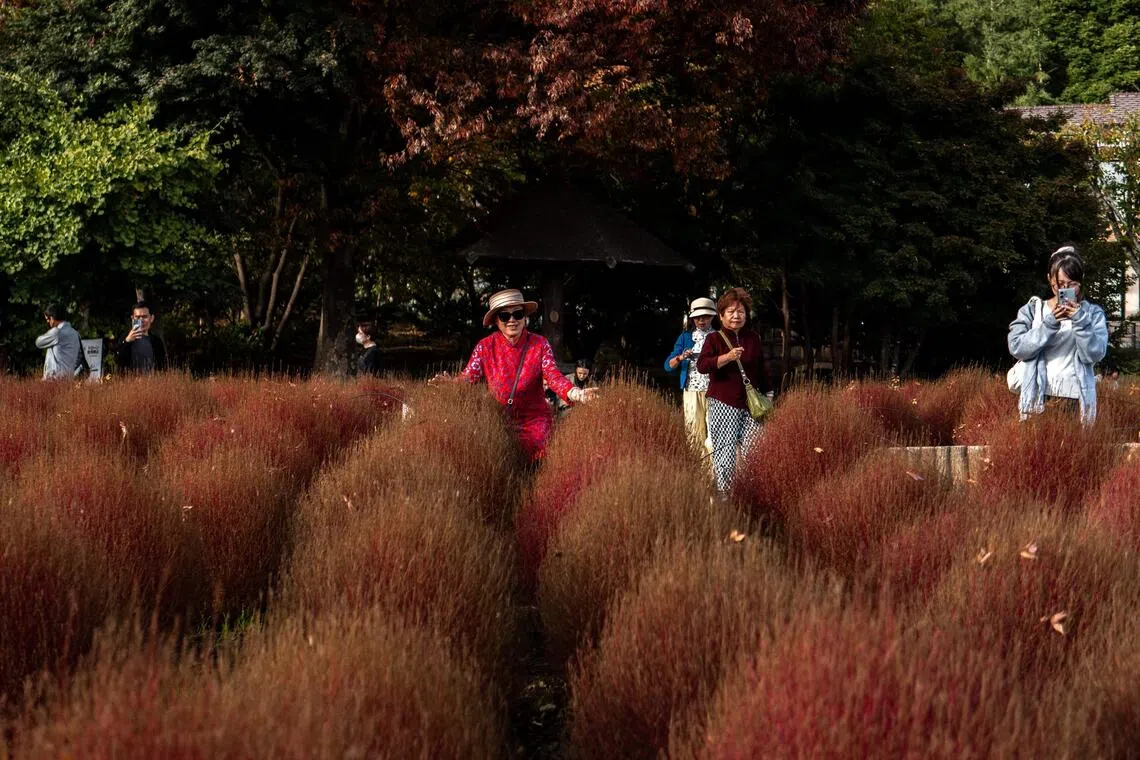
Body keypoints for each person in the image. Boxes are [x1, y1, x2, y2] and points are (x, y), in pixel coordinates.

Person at [460, 289, 598, 461]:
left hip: (535, 420)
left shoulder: (540, 344)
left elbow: (553, 376)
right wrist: (448, 386)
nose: (512, 320)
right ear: (496, 320)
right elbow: (468, 378)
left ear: (524, 317)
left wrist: (576, 393)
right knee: (495, 456)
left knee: (536, 458)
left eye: (517, 314)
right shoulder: (485, 347)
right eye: (504, 316)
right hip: (499, 420)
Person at [1008, 245, 1108, 425]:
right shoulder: (1033, 309)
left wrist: (1079, 320)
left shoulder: (1092, 314)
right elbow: (1017, 347)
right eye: (1060, 285)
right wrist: (1050, 323)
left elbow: (1094, 354)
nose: (1065, 290)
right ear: (1049, 279)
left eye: (1072, 285)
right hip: (1037, 398)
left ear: (1081, 281)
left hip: (1076, 400)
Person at [696, 288, 771, 493]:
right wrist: (727, 357)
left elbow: (761, 367)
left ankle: (751, 495)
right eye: (731, 312)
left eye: (741, 312)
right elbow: (702, 366)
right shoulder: (714, 339)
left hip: (751, 405)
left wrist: (769, 394)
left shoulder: (753, 338)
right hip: (723, 402)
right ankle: (724, 496)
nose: (737, 316)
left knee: (755, 453)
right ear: (721, 316)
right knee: (725, 453)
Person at [665, 297, 717, 454]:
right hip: (691, 390)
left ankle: (715, 473)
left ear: (713, 317)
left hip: (715, 391)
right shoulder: (685, 338)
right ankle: (700, 473)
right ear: (693, 318)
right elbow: (668, 366)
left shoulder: (719, 337)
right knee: (693, 432)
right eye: (698, 317)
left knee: (715, 433)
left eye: (706, 317)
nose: (701, 320)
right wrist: (681, 357)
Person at [114, 300, 167, 375]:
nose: (141, 320)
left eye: (144, 317)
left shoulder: (156, 341)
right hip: (129, 384)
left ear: (151, 318)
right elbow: (117, 361)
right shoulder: (124, 337)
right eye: (137, 317)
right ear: (132, 318)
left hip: (153, 384)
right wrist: (127, 342)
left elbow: (163, 367)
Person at [35, 303, 82, 380]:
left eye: (47, 319)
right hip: (69, 379)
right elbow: (79, 357)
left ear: (52, 318)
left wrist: (50, 333)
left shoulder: (56, 332)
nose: (47, 322)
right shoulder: (76, 334)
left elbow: (38, 342)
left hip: (53, 379)